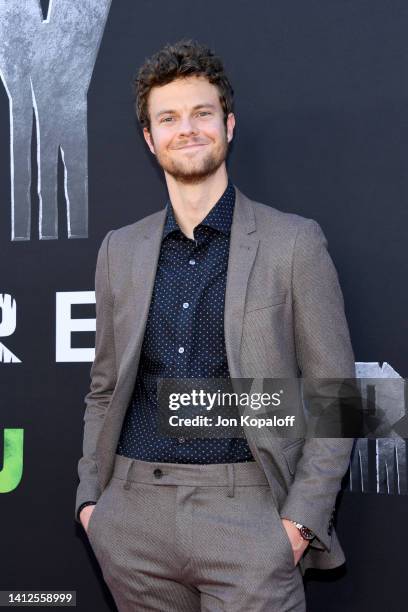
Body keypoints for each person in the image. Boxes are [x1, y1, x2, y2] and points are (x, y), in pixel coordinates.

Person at [75, 39, 356, 611]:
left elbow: (338, 397)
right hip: (132, 521)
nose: (188, 129)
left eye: (202, 113)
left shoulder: (294, 243)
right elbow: (104, 387)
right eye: (169, 118)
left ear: (227, 124)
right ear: (151, 140)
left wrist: (299, 523)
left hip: (250, 518)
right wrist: (91, 504)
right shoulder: (119, 251)